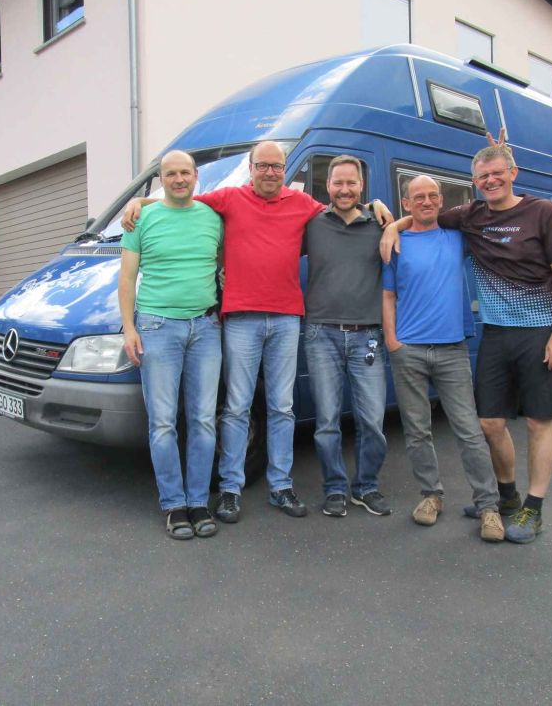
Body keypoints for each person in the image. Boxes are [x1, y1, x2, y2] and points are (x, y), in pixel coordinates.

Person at [123, 141, 391, 521]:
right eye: (262, 165)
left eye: (276, 166)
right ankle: (230, 489)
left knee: (282, 407)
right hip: (241, 319)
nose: (269, 172)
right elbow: (181, 199)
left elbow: (343, 206)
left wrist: (376, 206)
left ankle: (280, 486)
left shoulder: (302, 204)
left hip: (286, 318)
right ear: (251, 169)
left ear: (285, 170)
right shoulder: (229, 199)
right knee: (237, 407)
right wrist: (140, 202)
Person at [382, 140, 552, 544]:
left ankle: (533, 508)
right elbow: (420, 216)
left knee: (539, 421)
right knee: (489, 423)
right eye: (483, 176)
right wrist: (391, 226)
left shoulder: (543, 212)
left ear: (513, 173)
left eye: (497, 173)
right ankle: (505, 498)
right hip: (494, 332)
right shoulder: (471, 217)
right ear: (474, 182)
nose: (491, 181)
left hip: (538, 331)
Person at [381, 175, 504, 543]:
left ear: (441, 200)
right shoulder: (396, 244)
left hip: (452, 350)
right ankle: (431, 495)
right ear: (406, 203)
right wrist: (392, 342)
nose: (426, 201)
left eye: (433, 195)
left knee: (468, 430)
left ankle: (488, 506)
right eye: (418, 197)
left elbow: (490, 209)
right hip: (409, 351)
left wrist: (395, 223)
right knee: (417, 431)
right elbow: (388, 296)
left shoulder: (457, 238)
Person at [117, 150, 223, 540]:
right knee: (163, 422)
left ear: (196, 176)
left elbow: (223, 263)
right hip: (157, 327)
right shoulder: (141, 219)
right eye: (170, 174)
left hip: (206, 328)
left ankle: (198, 502)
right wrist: (129, 329)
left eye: (185, 173)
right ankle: (174, 505)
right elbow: (127, 278)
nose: (179, 179)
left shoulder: (213, 217)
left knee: (203, 420)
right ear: (160, 180)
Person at [302, 155, 390, 518]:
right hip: (321, 334)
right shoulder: (311, 224)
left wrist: (382, 208)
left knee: (372, 421)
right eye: (337, 183)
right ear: (327, 186)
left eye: (351, 183)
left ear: (361, 186)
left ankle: (366, 486)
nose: (344, 189)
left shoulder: (381, 224)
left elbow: (415, 227)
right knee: (326, 422)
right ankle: (335, 488)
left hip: (367, 336)